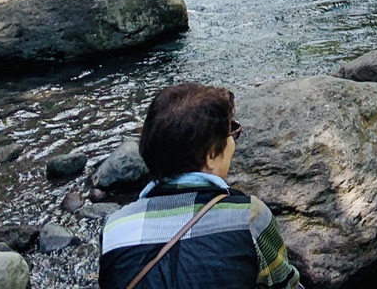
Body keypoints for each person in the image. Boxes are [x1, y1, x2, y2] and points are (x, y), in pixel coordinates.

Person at [100, 83, 301, 289]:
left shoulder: (114, 227)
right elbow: (285, 285)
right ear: (212, 155)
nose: (233, 141)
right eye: (232, 131)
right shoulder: (249, 216)